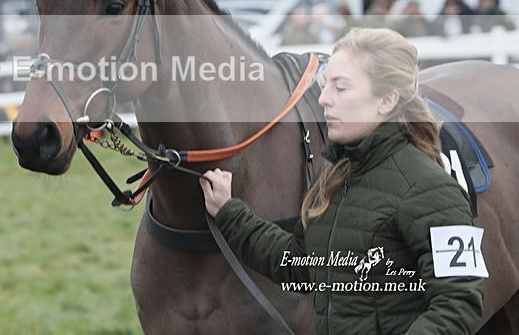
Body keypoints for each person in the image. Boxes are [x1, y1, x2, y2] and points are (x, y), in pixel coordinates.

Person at [200, 27, 484, 334]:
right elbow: (301, 267)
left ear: (386, 101)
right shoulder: (335, 177)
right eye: (324, 86)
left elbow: (458, 305)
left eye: (341, 88)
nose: (323, 99)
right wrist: (230, 213)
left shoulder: (431, 189)